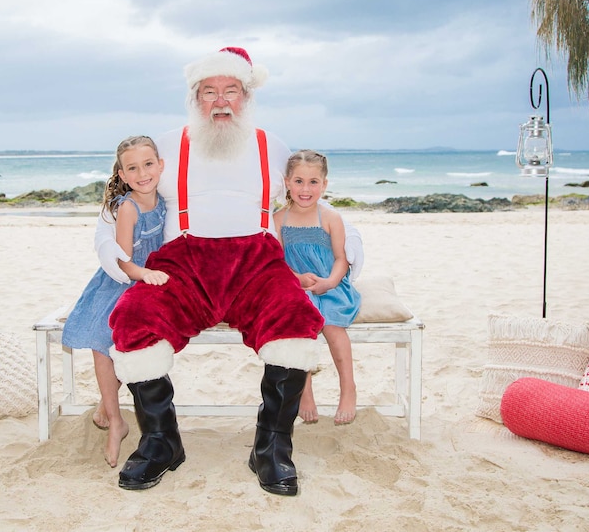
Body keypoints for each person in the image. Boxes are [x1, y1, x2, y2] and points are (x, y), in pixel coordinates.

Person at [95, 47, 364, 496]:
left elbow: (312, 200)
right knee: (134, 318)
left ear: (247, 95)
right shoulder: (164, 145)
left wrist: (349, 254)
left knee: (296, 319)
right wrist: (122, 266)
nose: (221, 101)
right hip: (182, 265)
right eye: (209, 92)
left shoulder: (272, 146)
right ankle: (161, 442)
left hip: (256, 264)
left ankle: (272, 445)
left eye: (231, 91)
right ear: (194, 98)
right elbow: (117, 210)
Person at [61, 135, 168, 468]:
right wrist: (144, 274)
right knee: (100, 338)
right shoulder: (127, 208)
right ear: (122, 174)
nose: (142, 173)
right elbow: (123, 260)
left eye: (148, 164)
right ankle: (115, 418)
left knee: (128, 340)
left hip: (152, 280)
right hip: (123, 280)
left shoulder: (165, 201)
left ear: (161, 166)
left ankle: (106, 406)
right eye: (133, 168)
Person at [274, 150, 361, 426]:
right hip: (295, 286)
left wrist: (331, 281)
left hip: (329, 284)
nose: (305, 189)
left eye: (313, 182)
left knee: (333, 328)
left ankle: (348, 389)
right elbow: (276, 262)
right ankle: (305, 390)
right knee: (300, 324)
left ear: (324, 184)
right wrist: (297, 279)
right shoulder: (279, 220)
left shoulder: (330, 217)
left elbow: (341, 258)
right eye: (299, 181)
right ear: (287, 182)